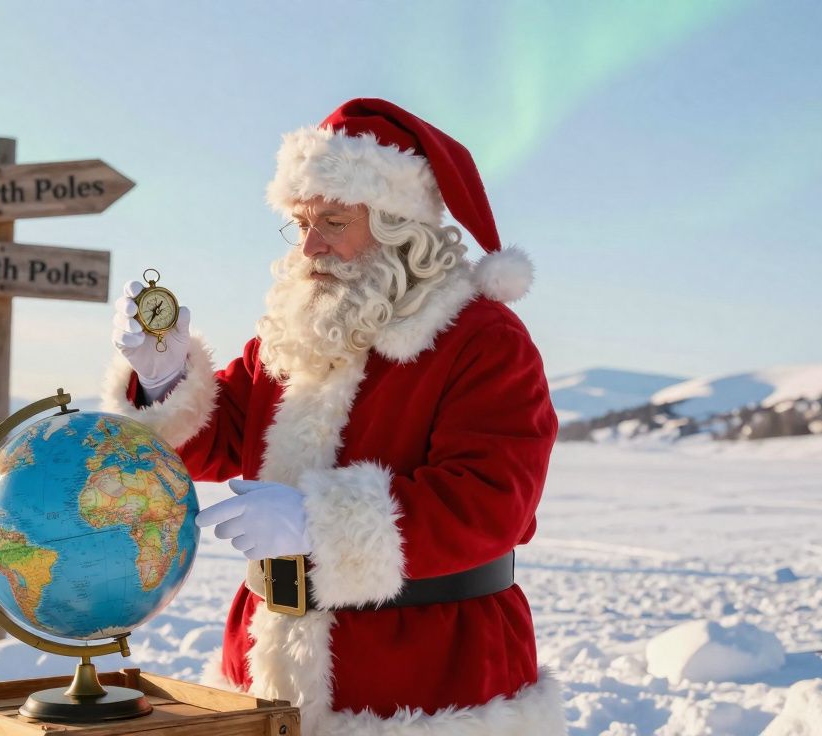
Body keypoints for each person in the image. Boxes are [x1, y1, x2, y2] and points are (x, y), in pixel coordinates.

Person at [103, 98, 563, 735]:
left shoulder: (482, 339)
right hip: (268, 661)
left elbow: (490, 502)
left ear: (400, 225)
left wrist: (316, 524)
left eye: (335, 222)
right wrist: (165, 379)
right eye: (300, 224)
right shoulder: (293, 334)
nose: (309, 247)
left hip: (428, 679)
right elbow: (220, 437)